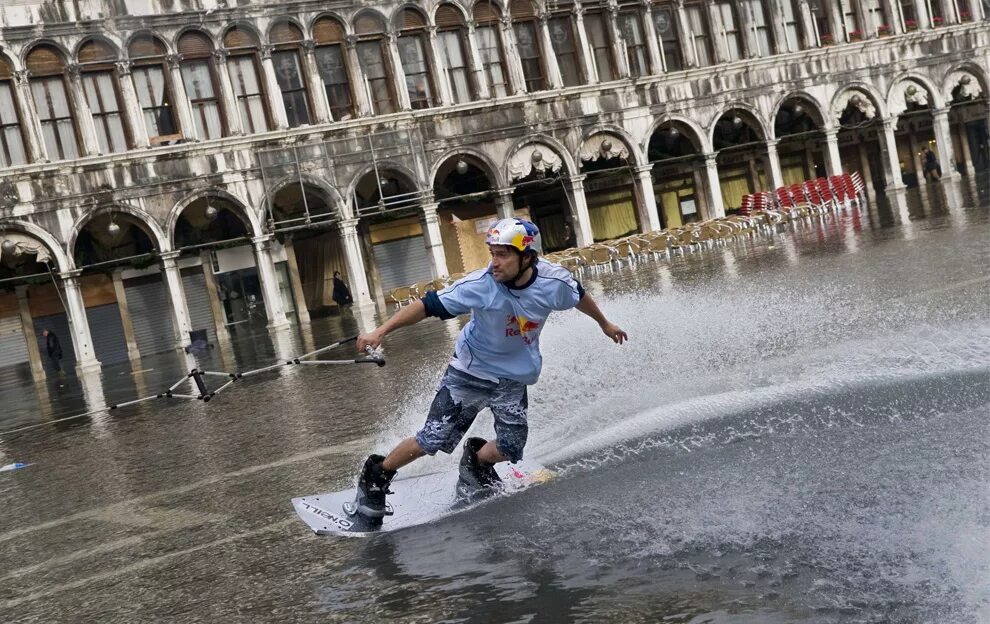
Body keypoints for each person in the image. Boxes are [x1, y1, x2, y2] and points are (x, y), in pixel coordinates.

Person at [350, 218, 628, 520]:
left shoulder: (553, 282)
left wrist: (604, 323)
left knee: (510, 448)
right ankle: (377, 474)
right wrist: (380, 332)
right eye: (492, 253)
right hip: (469, 372)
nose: (494, 262)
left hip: (512, 379)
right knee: (433, 439)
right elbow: (426, 305)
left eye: (503, 255)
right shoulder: (480, 285)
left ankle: (476, 463)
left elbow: (578, 294)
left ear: (526, 257)